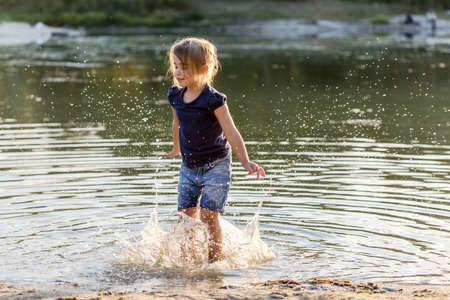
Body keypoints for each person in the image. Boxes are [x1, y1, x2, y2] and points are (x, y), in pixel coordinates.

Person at [166, 37, 265, 263]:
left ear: (205, 68)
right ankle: (186, 263)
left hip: (216, 165)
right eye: (176, 67)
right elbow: (177, 123)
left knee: (209, 215)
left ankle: (214, 264)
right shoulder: (175, 95)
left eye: (185, 68)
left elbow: (230, 131)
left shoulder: (214, 100)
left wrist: (245, 161)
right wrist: (176, 147)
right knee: (185, 218)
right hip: (189, 166)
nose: (179, 73)